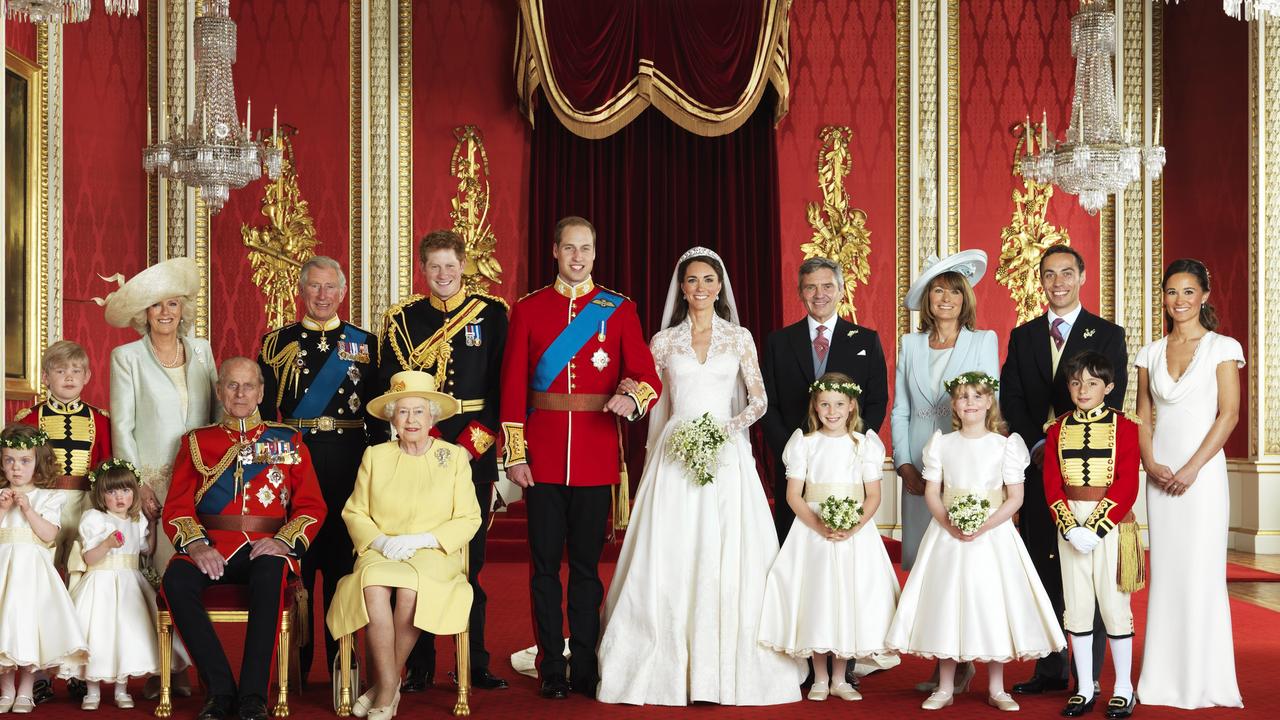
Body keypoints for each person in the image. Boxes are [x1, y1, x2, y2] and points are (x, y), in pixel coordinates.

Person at [596, 247, 804, 706]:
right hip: (675, 453)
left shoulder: (740, 338)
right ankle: (664, 666)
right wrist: (634, 398)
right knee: (671, 552)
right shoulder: (664, 341)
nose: (700, 288)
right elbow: (653, 398)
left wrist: (723, 431)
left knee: (727, 552)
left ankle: (727, 669)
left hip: (727, 455)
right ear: (682, 287)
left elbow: (759, 401)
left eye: (708, 279)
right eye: (692, 280)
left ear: (720, 286)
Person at [498, 216, 661, 700]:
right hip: (542, 459)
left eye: (585, 249)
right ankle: (551, 666)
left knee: (588, 570)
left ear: (594, 252)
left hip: (593, 458)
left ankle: (586, 665)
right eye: (569, 248)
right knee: (544, 569)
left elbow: (646, 376)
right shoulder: (529, 309)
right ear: (554, 251)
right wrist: (514, 454)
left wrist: (632, 399)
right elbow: (511, 386)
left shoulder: (620, 309)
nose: (577, 257)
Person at [375, 231, 509, 692]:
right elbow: (396, 389)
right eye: (435, 267)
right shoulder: (403, 319)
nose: (444, 274)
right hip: (419, 447)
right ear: (423, 269)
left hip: (473, 448)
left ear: (463, 265)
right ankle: (421, 665)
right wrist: (427, 443)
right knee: (419, 555)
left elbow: (501, 387)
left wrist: (471, 445)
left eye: (451, 266)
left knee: (469, 559)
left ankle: (475, 659)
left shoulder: (491, 316)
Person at [885, 372, 1065, 712]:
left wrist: (983, 525)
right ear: (953, 404)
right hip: (948, 536)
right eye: (963, 396)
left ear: (989, 403)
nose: (970, 402)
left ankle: (997, 687)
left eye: (977, 396)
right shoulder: (942, 444)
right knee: (947, 603)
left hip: (992, 536)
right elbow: (933, 493)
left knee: (991, 604)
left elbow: (1015, 498)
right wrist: (949, 522)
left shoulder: (1005, 445)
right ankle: (946, 685)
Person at [160, 358, 327, 720]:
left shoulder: (288, 439)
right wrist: (198, 545)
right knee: (176, 579)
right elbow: (176, 508)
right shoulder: (196, 442)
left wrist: (283, 542)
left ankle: (253, 696)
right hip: (212, 545)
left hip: (267, 546)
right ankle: (219, 692)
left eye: (248, 386)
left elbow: (312, 506)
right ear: (219, 391)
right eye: (232, 386)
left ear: (261, 392)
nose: (240, 393)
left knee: (270, 575)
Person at [999, 245, 1125, 696]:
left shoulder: (1108, 334)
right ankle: (1050, 667)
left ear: (1082, 276)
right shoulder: (1024, 335)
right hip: (1037, 468)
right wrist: (1038, 444)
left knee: (1086, 568)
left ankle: (1087, 675)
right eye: (1049, 275)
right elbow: (1010, 397)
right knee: (1044, 565)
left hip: (1087, 473)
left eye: (1067, 273)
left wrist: (1062, 446)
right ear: (1041, 281)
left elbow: (1113, 399)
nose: (1058, 283)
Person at [326, 371, 482, 720]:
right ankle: (389, 685)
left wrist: (424, 540)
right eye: (403, 412)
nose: (411, 420)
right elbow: (355, 511)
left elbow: (469, 518)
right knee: (373, 585)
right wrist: (381, 540)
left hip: (434, 553)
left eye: (418, 412)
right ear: (392, 418)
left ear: (432, 417)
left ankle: (383, 688)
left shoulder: (453, 458)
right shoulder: (376, 456)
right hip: (381, 549)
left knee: (412, 589)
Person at [257, 255, 377, 680]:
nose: (323, 295)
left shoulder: (364, 343)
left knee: (344, 570)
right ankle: (295, 668)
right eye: (315, 287)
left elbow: (378, 417)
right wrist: (272, 480)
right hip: (296, 466)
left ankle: (345, 665)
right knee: (297, 572)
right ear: (302, 291)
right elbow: (267, 419)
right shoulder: (276, 343)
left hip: (348, 466)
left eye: (331, 288)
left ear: (343, 293)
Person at [1135, 259, 1244, 709]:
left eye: (1187, 292)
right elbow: (1142, 416)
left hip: (1202, 478)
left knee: (1201, 573)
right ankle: (1160, 678)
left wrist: (1193, 467)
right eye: (1170, 292)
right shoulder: (1150, 352)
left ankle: (1205, 678)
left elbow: (1229, 414)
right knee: (1168, 574)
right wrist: (1150, 462)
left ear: (1204, 295)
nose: (1178, 301)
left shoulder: (1222, 347)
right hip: (1160, 477)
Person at [758, 372, 899, 703]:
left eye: (839, 404)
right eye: (824, 405)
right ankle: (819, 676)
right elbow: (795, 495)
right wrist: (819, 525)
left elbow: (873, 497)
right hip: (813, 534)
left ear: (851, 406)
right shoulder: (804, 444)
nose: (831, 411)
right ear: (815, 407)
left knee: (847, 597)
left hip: (854, 535)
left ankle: (840, 677)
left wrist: (852, 526)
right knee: (817, 598)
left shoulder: (863, 446)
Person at [103, 256, 220, 574]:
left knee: (204, 570)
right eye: (156, 305)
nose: (165, 313)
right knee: (164, 567)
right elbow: (123, 427)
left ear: (183, 309)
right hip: (155, 485)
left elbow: (217, 413)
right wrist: (137, 483)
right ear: (145, 313)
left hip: (202, 479)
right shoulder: (127, 357)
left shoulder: (201, 350)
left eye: (172, 304)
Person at [761, 256, 889, 545]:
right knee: (795, 542)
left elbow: (878, 399)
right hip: (795, 463)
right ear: (800, 292)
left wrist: (854, 445)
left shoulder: (866, 341)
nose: (820, 295)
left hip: (847, 465)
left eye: (827, 286)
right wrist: (792, 451)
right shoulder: (779, 342)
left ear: (842, 290)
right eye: (810, 288)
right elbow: (766, 403)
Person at [1042, 352, 1142, 719]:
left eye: (1092, 383)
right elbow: (1052, 483)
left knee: (1115, 609)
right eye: (1075, 382)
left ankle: (1123, 688)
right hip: (1070, 526)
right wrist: (1069, 527)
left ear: (1109, 388)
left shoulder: (1127, 426)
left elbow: (1127, 482)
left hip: (1111, 525)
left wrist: (1095, 528)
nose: (1083, 390)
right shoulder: (1056, 429)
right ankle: (1084, 688)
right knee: (1078, 607)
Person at [891, 251, 997, 570]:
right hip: (919, 468)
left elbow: (993, 404)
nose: (946, 298)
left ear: (965, 299)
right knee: (920, 559)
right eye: (938, 290)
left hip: (967, 462)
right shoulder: (910, 345)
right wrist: (904, 464)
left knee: (960, 557)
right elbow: (900, 410)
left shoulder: (983, 341)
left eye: (954, 290)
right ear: (928, 298)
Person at [0, 425, 88, 714]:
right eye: (9, 460)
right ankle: (6, 689)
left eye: (24, 460)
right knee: (5, 628)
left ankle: (26, 688)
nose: (16, 468)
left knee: (28, 627)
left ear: (38, 462)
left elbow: (49, 534)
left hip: (31, 576)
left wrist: (27, 510)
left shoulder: (47, 497)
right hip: (3, 572)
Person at [60, 459, 160, 711]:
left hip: (130, 585)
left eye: (126, 490)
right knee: (99, 635)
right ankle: (91, 691)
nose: (119, 497)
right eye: (112, 491)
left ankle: (121, 689)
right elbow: (88, 558)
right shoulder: (95, 518)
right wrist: (106, 545)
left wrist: (154, 525)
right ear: (101, 495)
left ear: (134, 493)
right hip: (100, 584)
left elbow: (147, 549)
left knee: (125, 634)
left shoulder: (137, 521)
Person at [13, 340, 113, 579]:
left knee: (81, 562)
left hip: (86, 501)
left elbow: (105, 463)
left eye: (76, 371)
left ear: (87, 376)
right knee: (43, 561)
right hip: (44, 501)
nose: (69, 377)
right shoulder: (30, 419)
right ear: (46, 377)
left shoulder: (100, 420)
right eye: (60, 371)